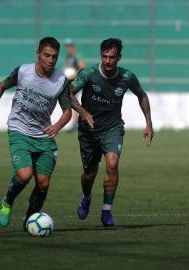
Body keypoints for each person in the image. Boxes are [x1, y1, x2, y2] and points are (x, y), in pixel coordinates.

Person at [0, 37, 72, 230]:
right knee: (24, 175)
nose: (50, 60)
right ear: (38, 53)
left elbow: (67, 111)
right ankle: (7, 201)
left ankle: (30, 220)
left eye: (54, 57)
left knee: (43, 184)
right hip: (19, 129)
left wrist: (56, 126)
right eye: (46, 55)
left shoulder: (61, 81)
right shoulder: (23, 71)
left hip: (44, 134)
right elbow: (2, 85)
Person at [69, 38, 154, 227]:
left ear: (119, 58)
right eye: (104, 56)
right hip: (89, 131)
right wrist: (83, 112)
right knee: (89, 175)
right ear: (101, 55)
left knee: (112, 164)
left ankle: (107, 211)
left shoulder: (127, 77)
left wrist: (148, 124)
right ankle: (86, 196)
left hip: (112, 128)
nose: (107, 61)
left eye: (112, 57)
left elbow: (142, 95)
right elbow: (69, 92)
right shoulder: (89, 73)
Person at [62, 38, 86, 132]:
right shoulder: (69, 56)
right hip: (69, 81)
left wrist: (75, 74)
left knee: (73, 101)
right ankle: (76, 122)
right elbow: (66, 68)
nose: (68, 47)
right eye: (67, 46)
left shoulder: (76, 55)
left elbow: (82, 67)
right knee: (71, 101)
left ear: (73, 46)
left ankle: (76, 123)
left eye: (70, 45)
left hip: (75, 82)